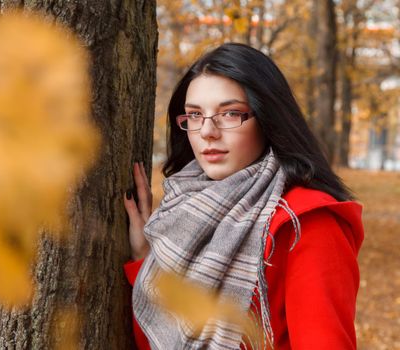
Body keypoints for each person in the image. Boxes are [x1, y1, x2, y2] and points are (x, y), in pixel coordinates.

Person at [122, 43, 364, 350]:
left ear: (267, 118)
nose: (208, 131)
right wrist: (146, 259)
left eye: (230, 113)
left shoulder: (307, 222)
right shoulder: (179, 213)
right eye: (195, 115)